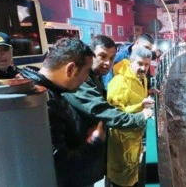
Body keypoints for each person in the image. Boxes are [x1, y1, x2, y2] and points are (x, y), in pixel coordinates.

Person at [60, 35, 153, 185]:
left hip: (91, 152)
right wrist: (141, 117)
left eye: (111, 58)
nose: (107, 63)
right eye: (102, 56)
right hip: (81, 155)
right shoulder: (82, 81)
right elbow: (105, 111)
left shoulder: (94, 78)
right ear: (90, 56)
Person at [19, 37, 106, 187]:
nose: (86, 79)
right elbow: (61, 164)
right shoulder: (44, 102)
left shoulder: (46, 92)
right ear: (70, 68)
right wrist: (94, 141)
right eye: (86, 72)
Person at [106, 47, 154, 187]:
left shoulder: (141, 78)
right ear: (131, 61)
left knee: (130, 175)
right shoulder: (120, 82)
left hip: (134, 137)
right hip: (121, 141)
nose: (143, 68)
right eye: (139, 63)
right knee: (120, 179)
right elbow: (114, 114)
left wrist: (149, 92)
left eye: (146, 64)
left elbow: (137, 97)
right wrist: (140, 106)